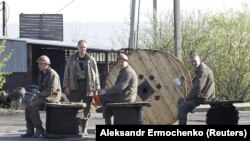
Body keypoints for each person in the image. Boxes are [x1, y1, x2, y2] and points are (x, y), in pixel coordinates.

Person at [63, 40, 100, 135]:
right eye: (81, 47)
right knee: (75, 106)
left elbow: (96, 75)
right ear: (77, 47)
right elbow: (66, 73)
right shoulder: (71, 59)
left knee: (87, 108)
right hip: (75, 85)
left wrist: (96, 88)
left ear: (86, 48)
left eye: (84, 47)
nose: (82, 49)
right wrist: (66, 86)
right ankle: (76, 128)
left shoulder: (91, 59)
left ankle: (85, 128)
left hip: (88, 85)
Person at [21, 55, 61, 138]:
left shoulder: (52, 74)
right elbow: (41, 88)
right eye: (38, 64)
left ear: (46, 64)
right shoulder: (42, 74)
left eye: (40, 64)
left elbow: (51, 90)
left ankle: (40, 129)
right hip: (44, 96)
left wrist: (38, 94)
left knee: (32, 107)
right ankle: (30, 131)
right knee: (28, 107)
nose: (38, 65)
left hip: (52, 97)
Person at [97, 53, 138, 125]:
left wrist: (105, 91)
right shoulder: (124, 71)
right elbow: (117, 86)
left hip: (126, 97)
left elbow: (120, 87)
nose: (120, 63)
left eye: (122, 62)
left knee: (103, 97)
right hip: (123, 95)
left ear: (127, 61)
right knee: (106, 102)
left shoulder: (128, 72)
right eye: (119, 62)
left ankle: (104, 110)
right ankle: (104, 109)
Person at [178, 53, 215, 125]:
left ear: (199, 60)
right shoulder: (200, 69)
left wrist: (188, 98)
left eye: (195, 61)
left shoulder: (203, 71)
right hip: (202, 95)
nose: (193, 63)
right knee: (180, 101)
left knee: (182, 107)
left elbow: (197, 88)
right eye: (192, 62)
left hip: (203, 97)